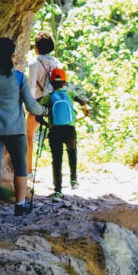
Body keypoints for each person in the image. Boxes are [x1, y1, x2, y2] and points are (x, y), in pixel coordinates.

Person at [0, 38, 45, 222]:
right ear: (11, 56)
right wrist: (43, 111)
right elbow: (31, 105)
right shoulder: (19, 78)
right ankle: (20, 205)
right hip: (15, 129)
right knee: (20, 166)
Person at [37, 68, 89, 199]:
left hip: (55, 130)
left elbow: (37, 112)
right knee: (72, 152)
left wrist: (46, 124)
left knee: (57, 160)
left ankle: (58, 190)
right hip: (69, 129)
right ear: (64, 82)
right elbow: (83, 102)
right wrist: (85, 110)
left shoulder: (48, 97)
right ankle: (73, 179)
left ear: (51, 82)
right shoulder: (70, 93)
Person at [25, 32, 62, 170]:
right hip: (53, 104)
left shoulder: (34, 62)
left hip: (38, 103)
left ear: (36, 47)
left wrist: (27, 107)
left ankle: (28, 170)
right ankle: (57, 172)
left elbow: (31, 87)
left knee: (28, 136)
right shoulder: (58, 63)